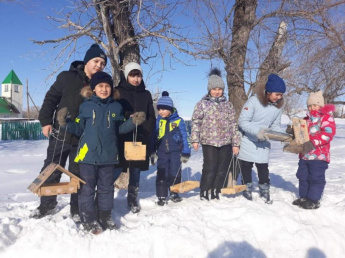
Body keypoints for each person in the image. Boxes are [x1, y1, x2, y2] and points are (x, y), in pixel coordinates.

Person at [58, 71, 146, 233]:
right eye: (100, 86)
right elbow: (79, 129)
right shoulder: (85, 106)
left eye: (107, 86)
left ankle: (105, 216)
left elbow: (120, 129)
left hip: (109, 155)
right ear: (93, 89)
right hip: (87, 156)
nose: (104, 89)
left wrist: (133, 122)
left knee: (106, 188)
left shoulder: (116, 107)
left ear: (112, 89)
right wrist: (65, 123)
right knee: (88, 189)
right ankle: (88, 218)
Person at [32, 44, 107, 219]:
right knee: (51, 169)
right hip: (61, 134)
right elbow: (51, 98)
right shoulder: (67, 77)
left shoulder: (99, 85)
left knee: (78, 173)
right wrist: (45, 121)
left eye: (103, 63)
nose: (99, 65)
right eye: (96, 61)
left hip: (83, 138)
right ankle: (47, 205)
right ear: (87, 61)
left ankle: (77, 208)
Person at [191, 68, 241, 201]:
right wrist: (195, 140)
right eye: (214, 89)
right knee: (210, 166)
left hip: (225, 141)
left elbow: (233, 125)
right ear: (209, 90)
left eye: (219, 89)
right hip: (209, 141)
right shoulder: (202, 104)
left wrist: (235, 143)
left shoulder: (228, 105)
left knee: (222, 167)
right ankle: (205, 189)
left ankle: (216, 189)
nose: (217, 91)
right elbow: (196, 122)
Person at [113, 62, 156, 213]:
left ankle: (132, 198)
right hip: (122, 137)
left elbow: (151, 115)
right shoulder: (118, 91)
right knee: (117, 168)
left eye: (138, 75)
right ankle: (104, 197)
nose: (135, 79)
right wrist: (127, 117)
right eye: (132, 75)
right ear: (126, 76)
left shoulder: (146, 94)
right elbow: (114, 112)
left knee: (136, 170)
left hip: (140, 138)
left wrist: (147, 130)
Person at [237, 73, 286, 203]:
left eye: (281, 95)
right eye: (277, 94)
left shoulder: (277, 107)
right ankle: (246, 186)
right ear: (268, 92)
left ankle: (264, 188)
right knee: (246, 166)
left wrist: (281, 136)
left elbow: (275, 126)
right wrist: (257, 131)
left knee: (263, 167)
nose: (279, 97)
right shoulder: (253, 101)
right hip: (248, 139)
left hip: (263, 142)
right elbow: (243, 121)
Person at [291, 91, 336, 209]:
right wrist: (292, 131)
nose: (312, 108)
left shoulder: (326, 117)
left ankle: (313, 200)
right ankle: (304, 197)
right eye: (309, 106)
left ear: (321, 105)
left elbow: (328, 134)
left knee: (315, 177)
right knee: (302, 176)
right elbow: (300, 134)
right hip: (305, 154)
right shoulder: (305, 120)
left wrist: (313, 142)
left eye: (315, 105)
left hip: (319, 156)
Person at [151, 91, 191, 206]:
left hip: (175, 153)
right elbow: (153, 137)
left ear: (170, 109)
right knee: (162, 174)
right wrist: (152, 152)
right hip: (162, 152)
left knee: (175, 173)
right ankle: (162, 195)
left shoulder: (178, 121)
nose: (161, 111)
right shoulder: (158, 121)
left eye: (164, 109)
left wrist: (186, 152)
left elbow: (185, 136)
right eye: (159, 109)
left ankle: (174, 193)